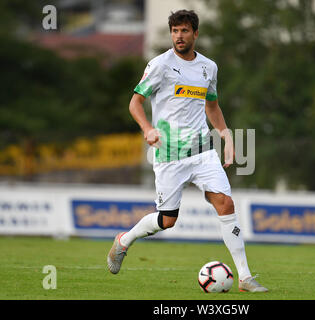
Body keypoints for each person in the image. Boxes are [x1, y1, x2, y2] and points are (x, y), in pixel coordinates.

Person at [107, 9, 267, 292]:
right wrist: (147, 129)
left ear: (195, 33)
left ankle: (245, 278)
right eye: (174, 31)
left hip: (202, 151)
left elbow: (212, 105)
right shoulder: (159, 65)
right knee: (167, 220)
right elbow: (135, 103)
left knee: (226, 204)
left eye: (184, 31)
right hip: (169, 155)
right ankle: (124, 241)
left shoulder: (209, 67)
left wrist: (226, 136)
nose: (179, 36)